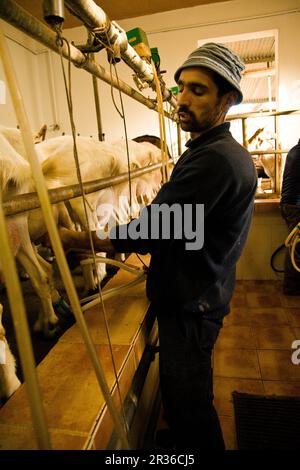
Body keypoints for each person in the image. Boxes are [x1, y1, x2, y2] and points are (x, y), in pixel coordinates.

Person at [56, 43, 257, 450]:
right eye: (181, 87)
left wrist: (81, 239)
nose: (181, 100)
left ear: (228, 99)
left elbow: (154, 229)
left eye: (198, 91)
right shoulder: (209, 152)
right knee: (187, 393)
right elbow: (182, 227)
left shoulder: (214, 160)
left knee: (189, 405)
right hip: (202, 293)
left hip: (192, 304)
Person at [280, 139, 300, 295]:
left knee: (294, 245)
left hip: (289, 204)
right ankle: (291, 287)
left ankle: (291, 285)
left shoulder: (295, 150)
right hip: (295, 206)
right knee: (296, 247)